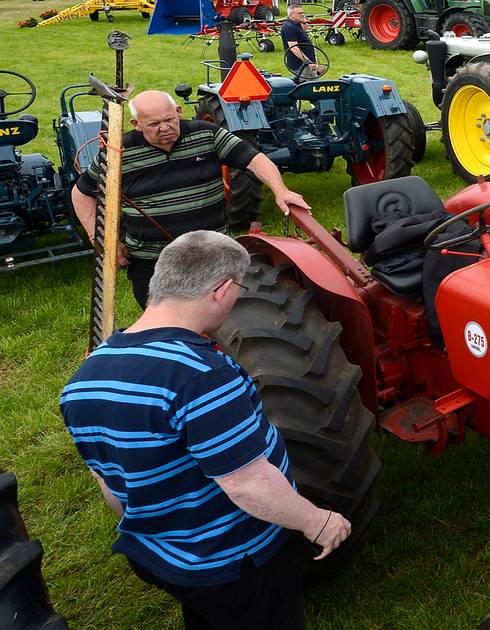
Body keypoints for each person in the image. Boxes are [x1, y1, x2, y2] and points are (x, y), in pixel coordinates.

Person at [59, 231, 351, 630]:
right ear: (223, 290)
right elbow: (246, 483)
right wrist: (317, 521)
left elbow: (108, 479)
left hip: (165, 557)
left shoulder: (83, 380)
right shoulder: (199, 375)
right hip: (236, 562)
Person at [70, 90, 309, 308]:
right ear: (136, 124)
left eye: (169, 119)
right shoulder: (118, 152)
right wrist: (100, 238)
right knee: (166, 326)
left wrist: (281, 189)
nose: (164, 128)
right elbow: (82, 193)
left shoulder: (206, 134)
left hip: (212, 253)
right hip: (152, 261)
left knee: (224, 314)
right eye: (154, 124)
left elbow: (253, 159)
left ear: (179, 112)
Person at [281, 3, 324, 79]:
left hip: (306, 65)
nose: (303, 15)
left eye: (303, 12)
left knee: (314, 85)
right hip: (301, 65)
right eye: (300, 13)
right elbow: (293, 47)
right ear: (292, 15)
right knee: (309, 88)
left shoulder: (296, 25)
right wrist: (307, 62)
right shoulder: (289, 27)